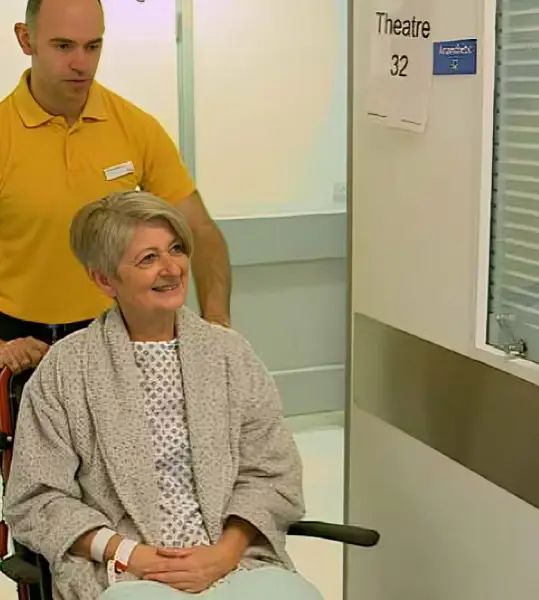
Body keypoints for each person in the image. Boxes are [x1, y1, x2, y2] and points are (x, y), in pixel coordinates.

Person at [2, 190, 322, 600]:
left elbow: (271, 473)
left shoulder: (230, 354)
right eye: (148, 259)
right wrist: (131, 554)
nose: (171, 268)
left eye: (175, 249)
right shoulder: (67, 369)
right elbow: (37, 499)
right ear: (104, 279)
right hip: (124, 575)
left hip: (234, 563)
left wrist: (224, 554)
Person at [0, 0, 231, 374]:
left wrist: (216, 325)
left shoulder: (135, 127)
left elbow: (200, 229)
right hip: (19, 347)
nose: (81, 63)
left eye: (93, 46)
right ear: (26, 40)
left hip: (116, 338)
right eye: (63, 46)